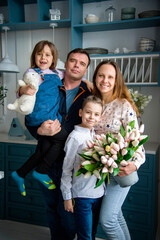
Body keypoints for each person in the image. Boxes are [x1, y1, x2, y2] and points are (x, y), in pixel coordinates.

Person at [25, 48, 91, 240]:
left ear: (86, 69)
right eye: (73, 60)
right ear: (65, 63)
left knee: (69, 216)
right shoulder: (49, 82)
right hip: (47, 162)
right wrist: (38, 131)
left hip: (73, 166)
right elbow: (30, 114)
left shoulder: (88, 93)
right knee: (52, 211)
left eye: (82, 63)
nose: (76, 65)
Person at [92, 60, 146, 240]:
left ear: (116, 81)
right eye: (101, 75)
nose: (105, 80)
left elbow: (136, 139)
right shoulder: (94, 103)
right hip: (102, 170)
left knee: (107, 220)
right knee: (116, 216)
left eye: (110, 77)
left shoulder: (124, 105)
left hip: (122, 170)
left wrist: (135, 165)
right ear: (95, 77)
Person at [11, 40, 69, 196]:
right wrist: (23, 89)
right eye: (39, 54)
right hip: (39, 117)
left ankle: (20, 173)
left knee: (44, 149)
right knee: (63, 139)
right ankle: (41, 171)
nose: (43, 57)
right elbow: (21, 90)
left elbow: (71, 77)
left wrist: (87, 81)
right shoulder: (33, 72)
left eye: (47, 55)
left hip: (50, 117)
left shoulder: (57, 73)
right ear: (34, 56)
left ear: (53, 58)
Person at [61, 95, 104, 240]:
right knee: (84, 235)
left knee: (92, 233)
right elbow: (66, 169)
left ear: (100, 117)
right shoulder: (75, 137)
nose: (92, 117)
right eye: (88, 112)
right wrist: (67, 197)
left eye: (96, 114)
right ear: (80, 113)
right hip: (82, 196)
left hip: (98, 194)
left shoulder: (96, 136)